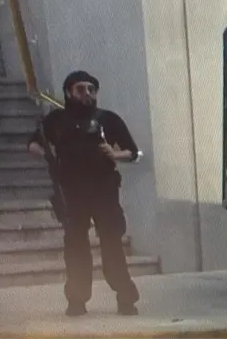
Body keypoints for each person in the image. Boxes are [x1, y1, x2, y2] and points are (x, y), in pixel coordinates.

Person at [27, 70, 141, 317]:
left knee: (112, 245)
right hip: (72, 193)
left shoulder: (108, 119)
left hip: (104, 192)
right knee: (76, 247)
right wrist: (46, 153)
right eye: (81, 89)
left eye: (91, 89)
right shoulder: (56, 120)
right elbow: (34, 143)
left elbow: (133, 152)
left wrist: (115, 154)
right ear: (69, 92)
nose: (87, 94)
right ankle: (77, 300)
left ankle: (126, 297)